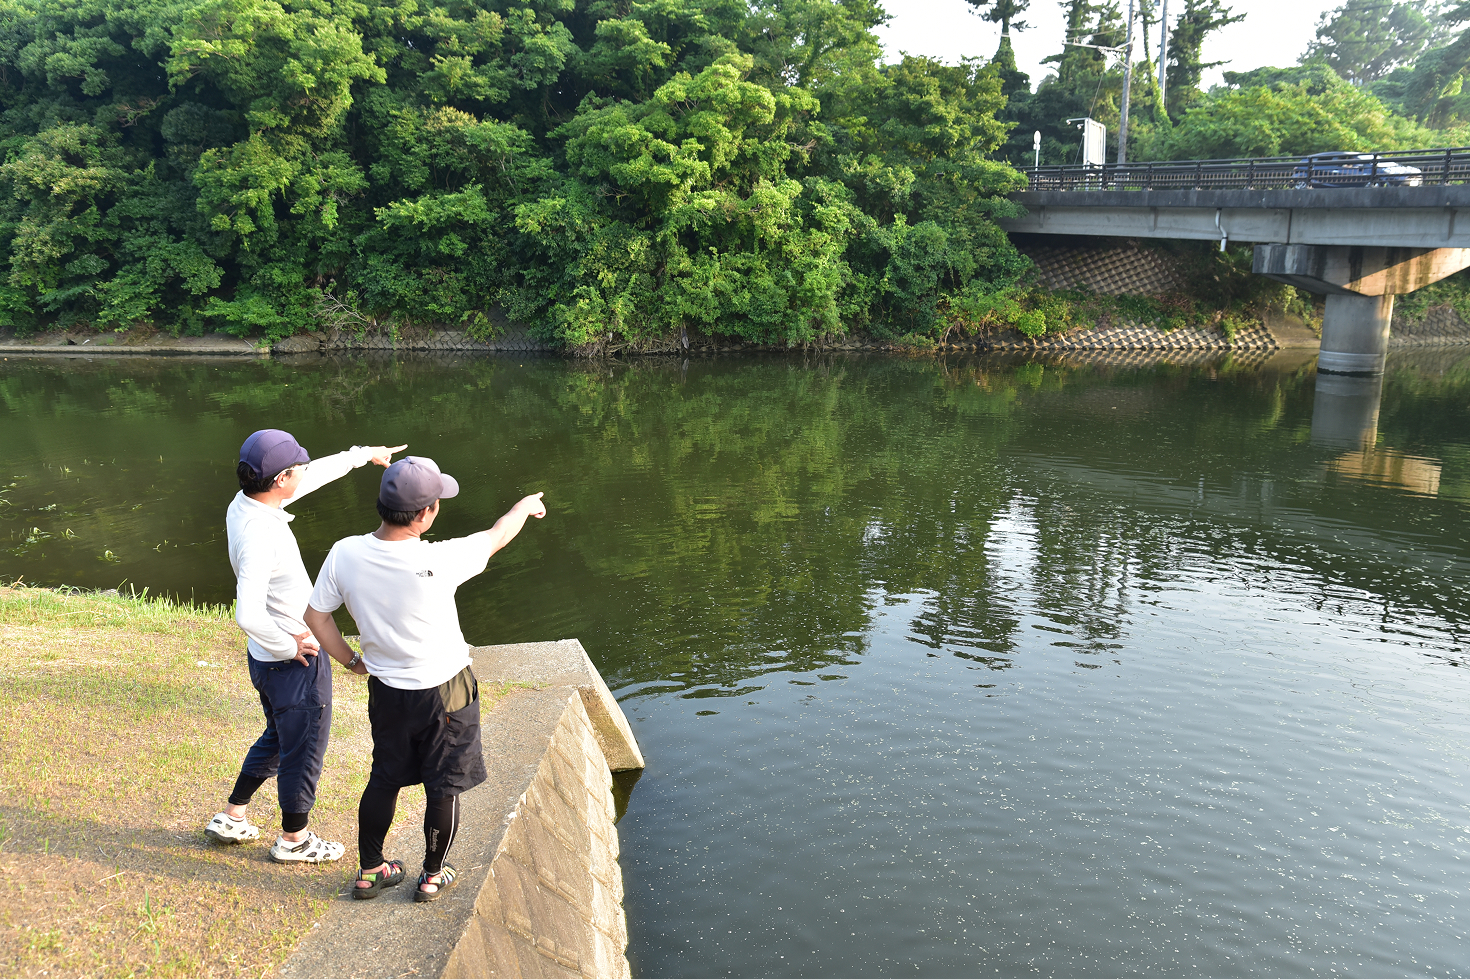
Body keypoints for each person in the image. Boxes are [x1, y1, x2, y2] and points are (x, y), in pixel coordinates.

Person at [303, 456, 546, 901]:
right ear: (425, 513)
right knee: (444, 784)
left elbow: (316, 617)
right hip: (446, 692)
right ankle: (432, 875)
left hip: (387, 692)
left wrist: (352, 662)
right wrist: (524, 506)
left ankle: (371, 870)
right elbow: (498, 534)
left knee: (384, 777)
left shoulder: (344, 553)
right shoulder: (440, 558)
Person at [203, 429, 404, 864]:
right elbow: (247, 613)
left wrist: (361, 455)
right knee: (304, 748)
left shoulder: (247, 503)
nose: (304, 473)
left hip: (266, 662)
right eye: (298, 468)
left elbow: (310, 478)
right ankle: (294, 838)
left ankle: (233, 815)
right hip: (294, 662)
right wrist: (287, 645)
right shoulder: (261, 536)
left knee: (280, 737)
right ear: (280, 479)